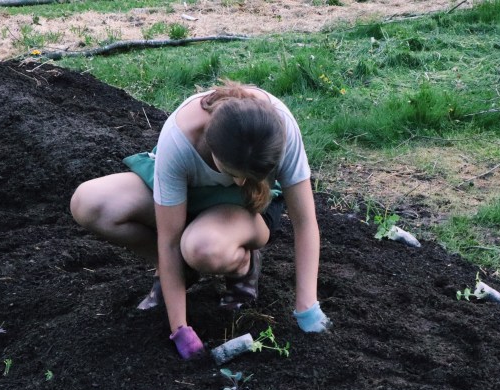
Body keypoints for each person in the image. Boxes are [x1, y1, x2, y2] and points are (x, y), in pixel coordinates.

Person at [69, 81, 331, 360]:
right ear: (211, 145)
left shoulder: (280, 128)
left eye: (247, 176)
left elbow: (304, 223)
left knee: (203, 248)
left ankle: (243, 263)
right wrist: (180, 329)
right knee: (90, 203)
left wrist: (307, 308)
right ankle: (179, 274)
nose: (240, 181)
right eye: (232, 172)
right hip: (189, 197)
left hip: (245, 209)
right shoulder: (180, 137)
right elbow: (169, 242)